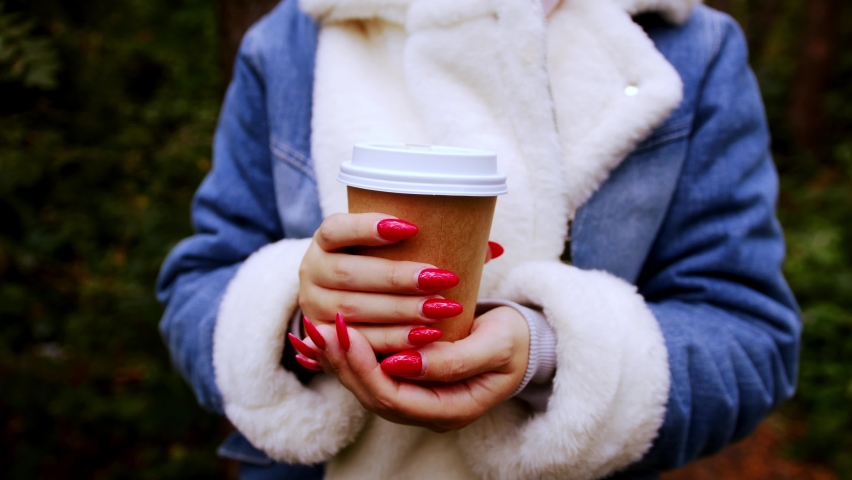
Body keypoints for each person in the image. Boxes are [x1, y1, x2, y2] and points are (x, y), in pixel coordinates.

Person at [156, 0, 801, 478]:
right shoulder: (292, 41)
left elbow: (748, 334)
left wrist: (551, 353)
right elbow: (198, 286)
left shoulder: (691, 47)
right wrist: (300, 317)